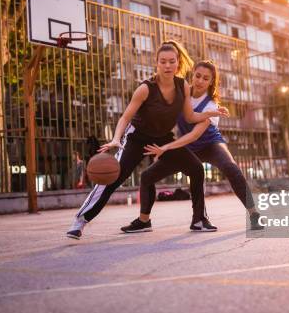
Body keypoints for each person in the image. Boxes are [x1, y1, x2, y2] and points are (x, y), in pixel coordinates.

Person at [66, 41, 228, 239]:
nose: (167, 65)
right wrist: (117, 139)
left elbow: (190, 117)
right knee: (113, 177)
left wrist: (212, 112)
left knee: (195, 168)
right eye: (163, 62)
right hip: (137, 137)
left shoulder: (182, 86)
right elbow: (125, 117)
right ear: (156, 63)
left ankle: (198, 220)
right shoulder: (145, 89)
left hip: (162, 138)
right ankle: (80, 221)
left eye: (172, 61)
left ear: (178, 63)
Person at [126, 60, 264, 231]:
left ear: (211, 82)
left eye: (205, 79)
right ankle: (144, 221)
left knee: (231, 167)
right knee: (147, 176)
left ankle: (253, 214)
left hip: (210, 144)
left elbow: (194, 135)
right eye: (197, 76)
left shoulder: (211, 105)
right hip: (187, 146)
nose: (200, 81)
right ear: (192, 75)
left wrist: (168, 147)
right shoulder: (180, 94)